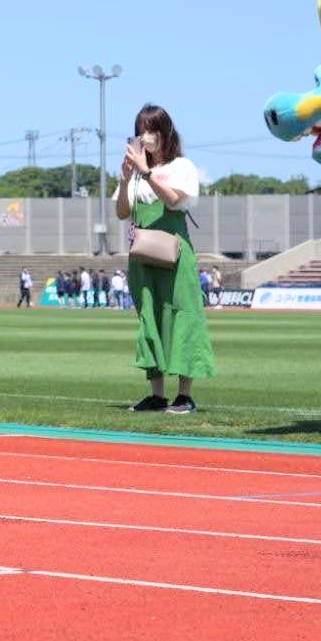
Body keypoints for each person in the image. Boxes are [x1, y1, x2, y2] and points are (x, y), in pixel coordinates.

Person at [116, 104, 214, 414]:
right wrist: (124, 179)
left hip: (175, 253)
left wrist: (147, 173)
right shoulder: (134, 176)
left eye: (150, 130)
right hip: (143, 255)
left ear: (164, 133)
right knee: (150, 317)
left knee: (183, 314)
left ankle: (185, 395)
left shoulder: (181, 166)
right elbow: (121, 212)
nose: (144, 137)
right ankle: (156, 394)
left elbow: (174, 200)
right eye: (140, 130)